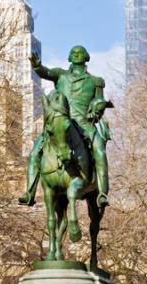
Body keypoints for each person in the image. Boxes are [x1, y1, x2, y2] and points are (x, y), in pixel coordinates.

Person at [18, 45, 112, 208]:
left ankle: (102, 193)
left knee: (100, 151)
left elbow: (99, 101)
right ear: (69, 57)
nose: (76, 54)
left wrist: (97, 110)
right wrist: (37, 66)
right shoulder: (60, 75)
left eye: (79, 52)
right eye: (73, 53)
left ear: (86, 57)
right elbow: (45, 72)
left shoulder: (96, 81)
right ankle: (29, 192)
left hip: (84, 123)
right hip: (60, 122)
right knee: (35, 152)